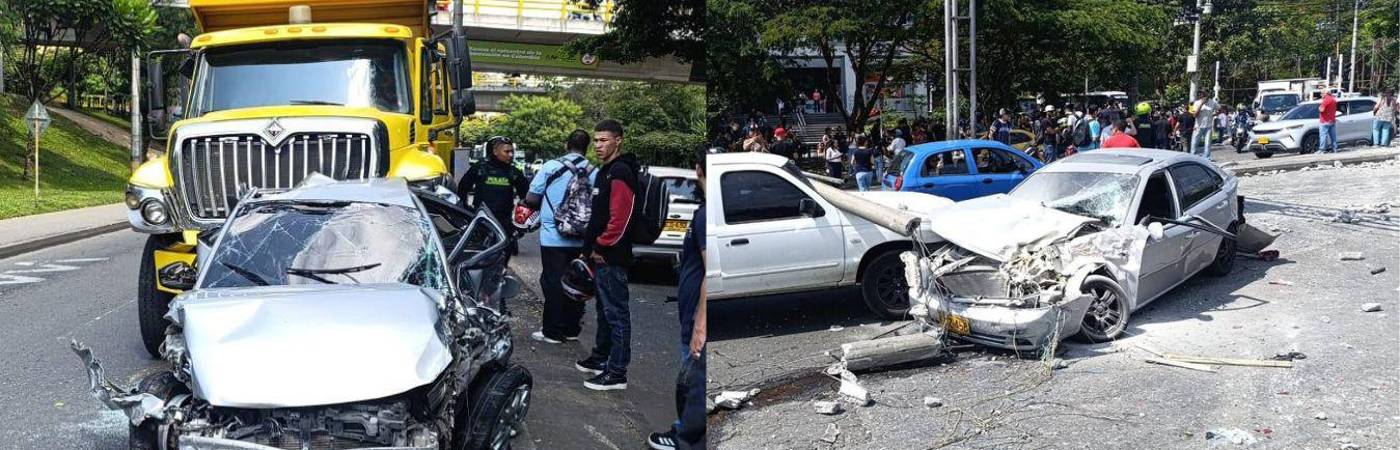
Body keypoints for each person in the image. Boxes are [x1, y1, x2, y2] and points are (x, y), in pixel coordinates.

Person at [647, 146, 708, 450]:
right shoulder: (703, 212)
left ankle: (686, 435)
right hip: (692, 310)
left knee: (693, 381)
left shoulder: (705, 216)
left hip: (696, 316)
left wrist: (700, 324)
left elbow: (710, 270)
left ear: (698, 170)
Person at [577, 119, 639, 391]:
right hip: (600, 256)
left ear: (618, 141)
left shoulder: (621, 172)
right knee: (604, 312)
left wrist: (602, 246)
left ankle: (616, 373)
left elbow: (620, 219)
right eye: (596, 141)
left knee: (616, 315)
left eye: (604, 140)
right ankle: (601, 359)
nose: (598, 145)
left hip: (612, 257)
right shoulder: (607, 171)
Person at [524, 130, 594, 344]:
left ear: (566, 145)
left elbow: (531, 198)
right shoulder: (594, 171)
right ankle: (572, 329)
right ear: (587, 147)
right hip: (582, 236)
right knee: (577, 280)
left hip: (553, 236)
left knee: (553, 281)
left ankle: (552, 331)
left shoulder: (551, 167)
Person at [457, 136, 529, 261]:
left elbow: (526, 198)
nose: (511, 155)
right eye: (507, 152)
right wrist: (465, 209)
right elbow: (463, 188)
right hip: (481, 219)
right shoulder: (479, 168)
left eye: (512, 152)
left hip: (504, 220)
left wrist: (521, 222)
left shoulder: (514, 172)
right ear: (495, 151)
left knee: (505, 252)